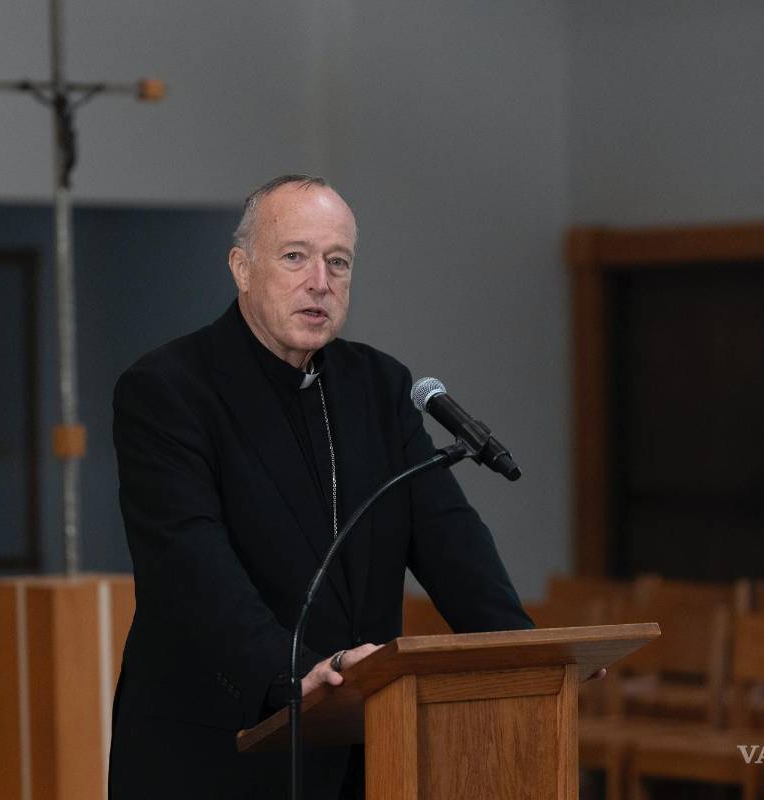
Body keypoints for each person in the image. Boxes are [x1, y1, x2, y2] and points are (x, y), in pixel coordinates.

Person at [108, 175, 532, 799]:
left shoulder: (378, 387)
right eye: (295, 256)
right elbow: (187, 563)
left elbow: (449, 536)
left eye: (338, 262)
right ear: (242, 268)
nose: (320, 281)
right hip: (220, 745)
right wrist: (290, 671)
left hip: (361, 746)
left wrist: (523, 653)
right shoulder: (170, 388)